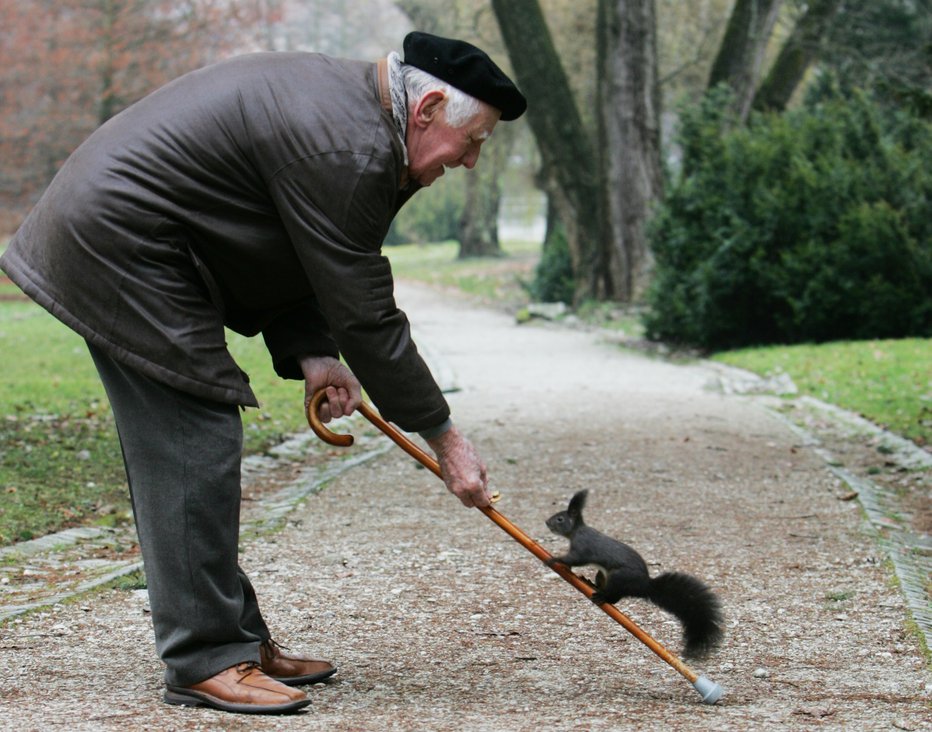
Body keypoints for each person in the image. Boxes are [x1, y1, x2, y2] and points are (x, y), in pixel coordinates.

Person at [0, 31, 526, 715]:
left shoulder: (360, 128)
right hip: (124, 242)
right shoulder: (350, 145)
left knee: (198, 435)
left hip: (152, 243)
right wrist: (446, 439)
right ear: (425, 108)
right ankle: (205, 659)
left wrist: (313, 353)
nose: (473, 161)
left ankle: (234, 640)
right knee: (195, 433)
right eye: (473, 139)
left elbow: (293, 249)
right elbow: (367, 316)